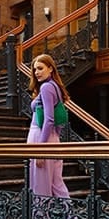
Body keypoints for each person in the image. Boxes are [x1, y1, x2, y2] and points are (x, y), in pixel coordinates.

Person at [27, 54, 70, 197]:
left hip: (41, 138)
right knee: (57, 184)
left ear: (50, 68)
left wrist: (40, 150)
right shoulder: (54, 86)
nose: (36, 72)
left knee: (41, 187)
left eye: (40, 68)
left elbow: (49, 119)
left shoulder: (46, 87)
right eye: (34, 70)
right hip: (52, 139)